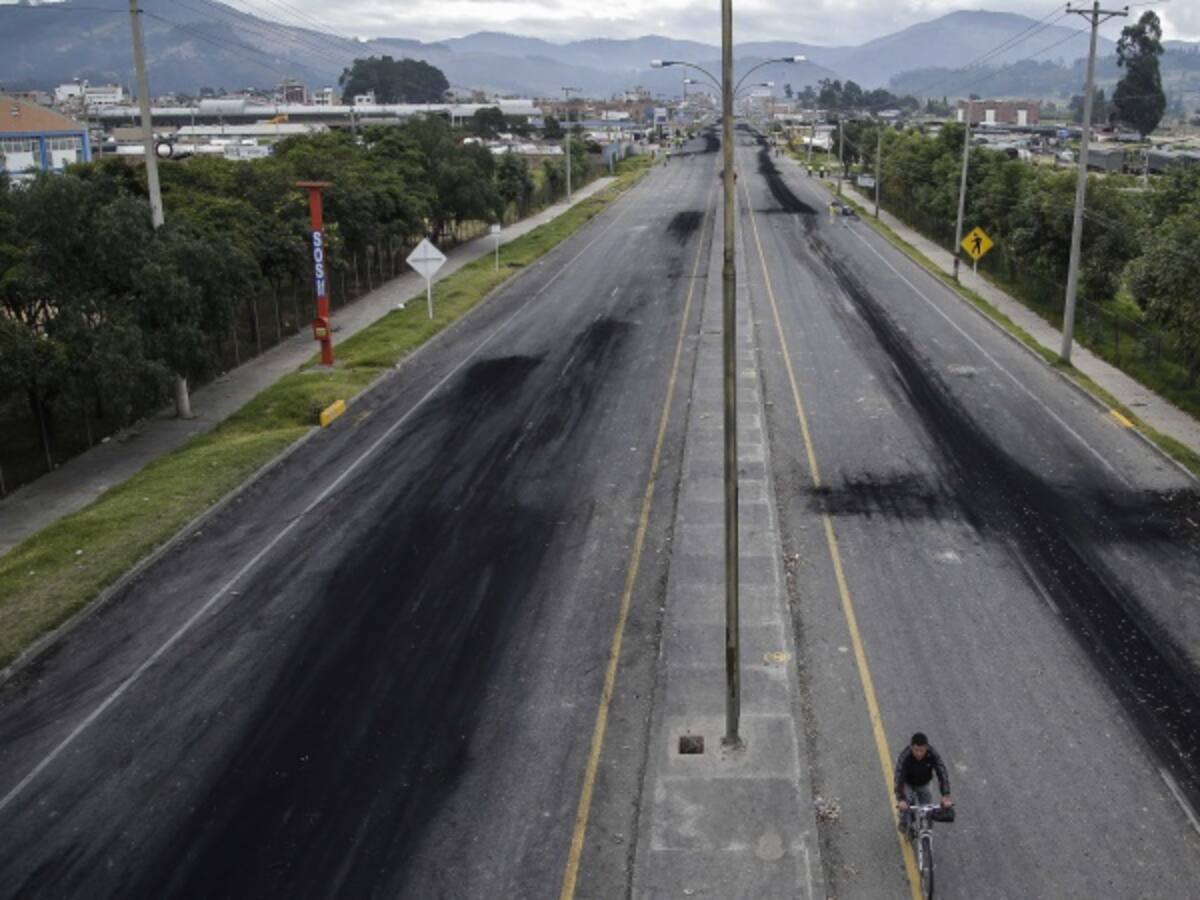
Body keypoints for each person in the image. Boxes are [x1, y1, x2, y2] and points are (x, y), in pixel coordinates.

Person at [894, 732, 952, 834]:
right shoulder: (905, 757)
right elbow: (899, 778)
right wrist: (901, 799)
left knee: (927, 810)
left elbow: (941, 772)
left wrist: (946, 794)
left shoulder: (932, 754)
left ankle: (926, 829)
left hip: (924, 784)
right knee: (905, 807)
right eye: (916, 750)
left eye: (922, 750)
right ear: (911, 747)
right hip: (908, 784)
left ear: (926, 748)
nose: (919, 753)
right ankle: (903, 823)